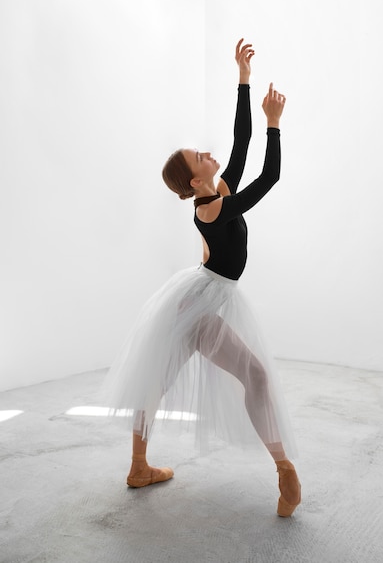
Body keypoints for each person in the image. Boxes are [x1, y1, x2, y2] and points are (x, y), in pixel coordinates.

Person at [104, 39, 301, 517]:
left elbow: (240, 144)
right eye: (201, 157)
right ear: (195, 182)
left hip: (200, 299)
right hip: (199, 306)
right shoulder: (211, 207)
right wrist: (276, 123)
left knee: (160, 379)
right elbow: (269, 177)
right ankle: (283, 469)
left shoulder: (218, 189)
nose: (210, 154)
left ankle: (138, 466)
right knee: (250, 373)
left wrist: (243, 79)